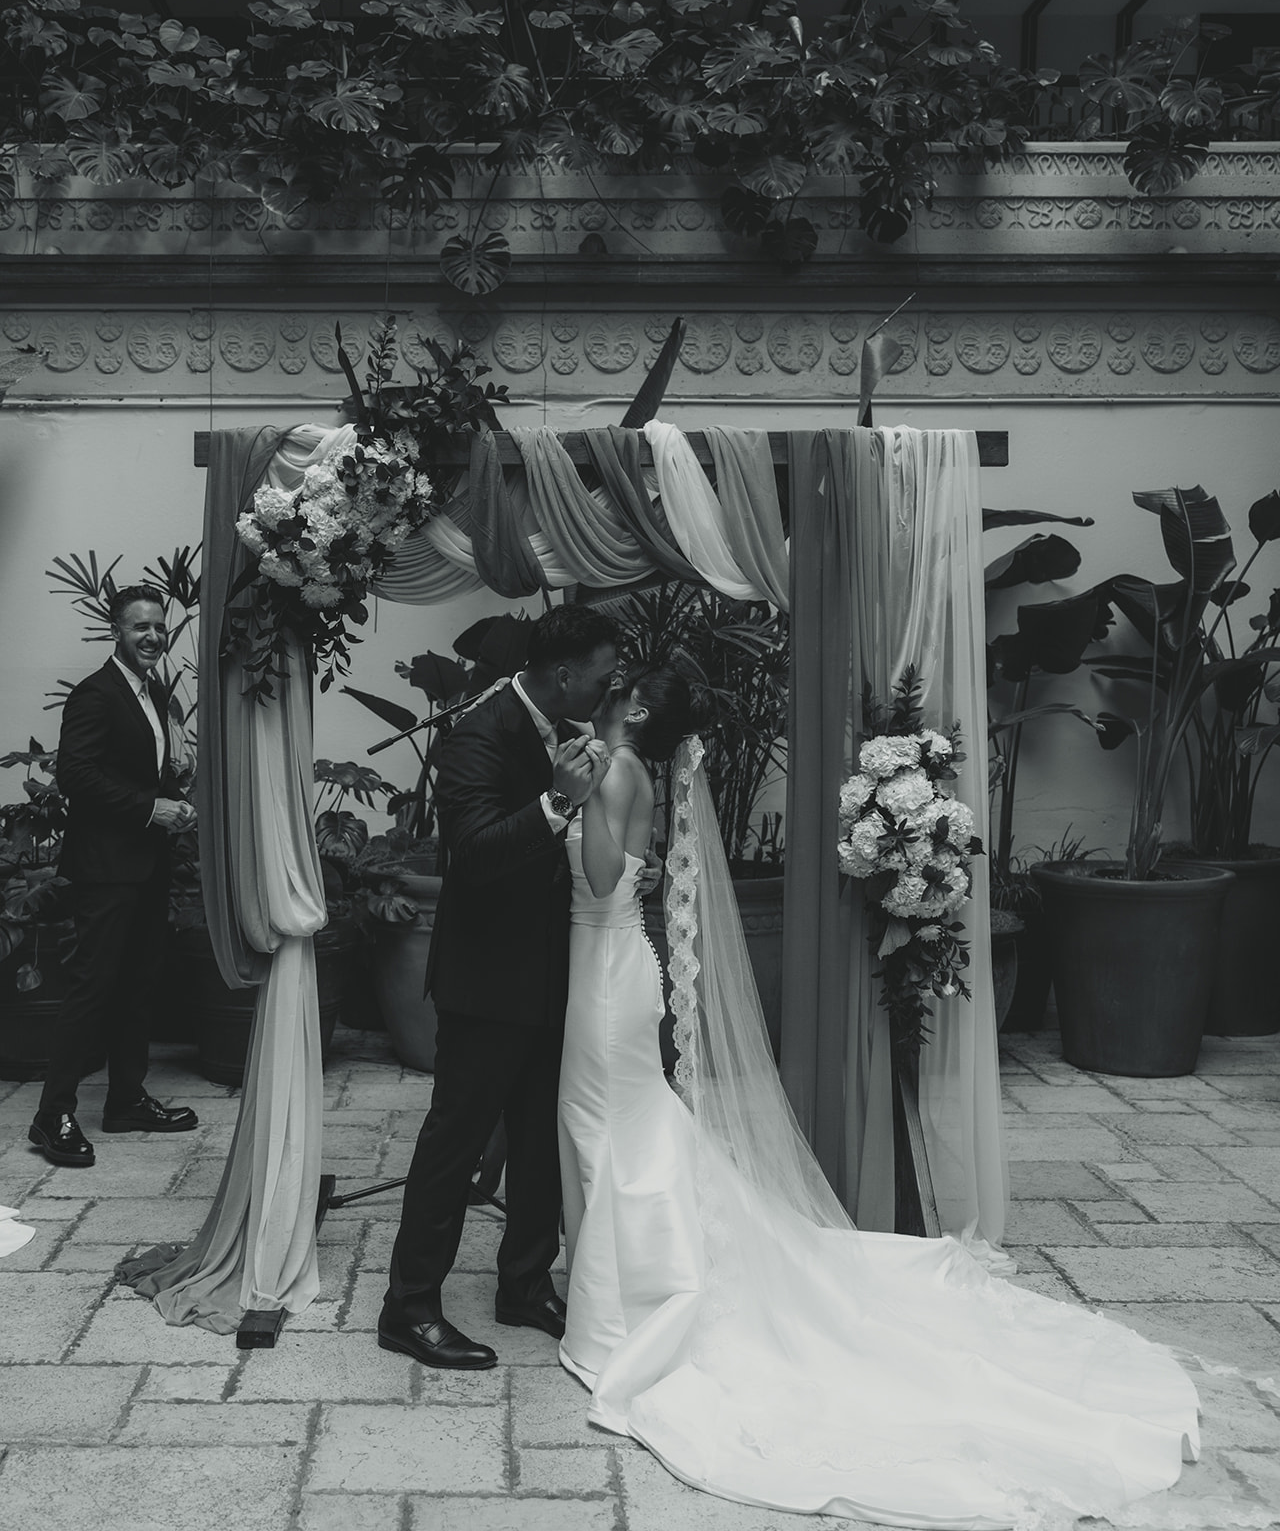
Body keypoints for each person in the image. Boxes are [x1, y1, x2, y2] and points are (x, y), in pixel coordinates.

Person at [558, 664, 1208, 1530]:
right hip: (602, 969)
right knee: (612, 1125)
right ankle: (620, 1275)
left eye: (621, 680)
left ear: (635, 711)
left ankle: (630, 1297)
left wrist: (569, 804)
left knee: (609, 1126)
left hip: (607, 975)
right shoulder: (618, 765)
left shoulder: (615, 771)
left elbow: (605, 879)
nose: (608, 682)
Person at [378, 604, 631, 1372]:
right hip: (487, 982)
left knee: (538, 1139)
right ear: (562, 675)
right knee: (454, 1144)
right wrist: (556, 802)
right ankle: (409, 1306)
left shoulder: (561, 725)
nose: (607, 686)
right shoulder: (476, 737)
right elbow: (477, 855)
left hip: (552, 971)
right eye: (600, 674)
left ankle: (523, 1282)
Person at [29, 585, 199, 1169]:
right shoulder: (96, 693)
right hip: (106, 869)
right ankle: (53, 1115)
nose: (151, 636)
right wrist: (150, 808)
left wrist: (175, 798)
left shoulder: (151, 690)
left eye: (158, 626)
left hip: (147, 864)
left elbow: (136, 770)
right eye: (138, 627)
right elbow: (75, 775)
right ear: (116, 632)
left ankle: (125, 1101)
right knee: (92, 989)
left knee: (138, 984)